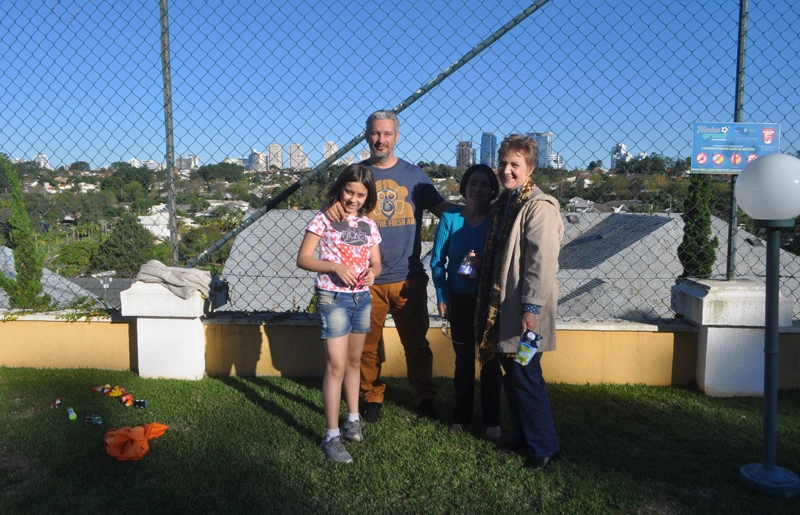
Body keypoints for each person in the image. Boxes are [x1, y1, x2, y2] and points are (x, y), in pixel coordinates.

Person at [327, 110, 451, 423]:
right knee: (368, 346)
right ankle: (371, 398)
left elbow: (444, 210)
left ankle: (424, 398)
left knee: (417, 344)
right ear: (366, 135)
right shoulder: (357, 176)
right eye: (374, 133)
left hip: (408, 277)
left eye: (387, 134)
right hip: (367, 278)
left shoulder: (415, 176)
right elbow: (334, 213)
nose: (380, 140)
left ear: (396, 136)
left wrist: (479, 210)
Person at [474, 134, 564, 470]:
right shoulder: (507, 204)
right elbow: (509, 255)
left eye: (515, 164)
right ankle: (525, 436)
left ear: (530, 167)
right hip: (507, 307)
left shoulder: (539, 207)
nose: (507, 170)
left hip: (526, 309)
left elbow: (540, 264)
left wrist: (531, 309)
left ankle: (545, 447)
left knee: (526, 375)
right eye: (503, 163)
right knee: (511, 374)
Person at [297, 164, 382, 463]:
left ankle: (353, 419)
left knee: (354, 361)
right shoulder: (324, 218)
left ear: (368, 197)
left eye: (361, 194)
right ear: (340, 188)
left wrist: (372, 273)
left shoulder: (369, 226)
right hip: (332, 299)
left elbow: (377, 263)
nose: (353, 199)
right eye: (349, 191)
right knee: (336, 365)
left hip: (361, 299)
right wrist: (334, 267)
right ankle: (331, 436)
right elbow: (303, 259)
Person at [430, 164, 503, 438]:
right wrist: (442, 296)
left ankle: (491, 420)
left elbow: (503, 259)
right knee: (463, 361)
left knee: (490, 361)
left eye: (484, 184)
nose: (477, 189)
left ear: (492, 190)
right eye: (473, 183)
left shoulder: (496, 220)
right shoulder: (450, 219)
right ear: (464, 187)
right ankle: (461, 415)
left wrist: (484, 263)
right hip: (458, 299)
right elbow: (437, 261)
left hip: (488, 300)